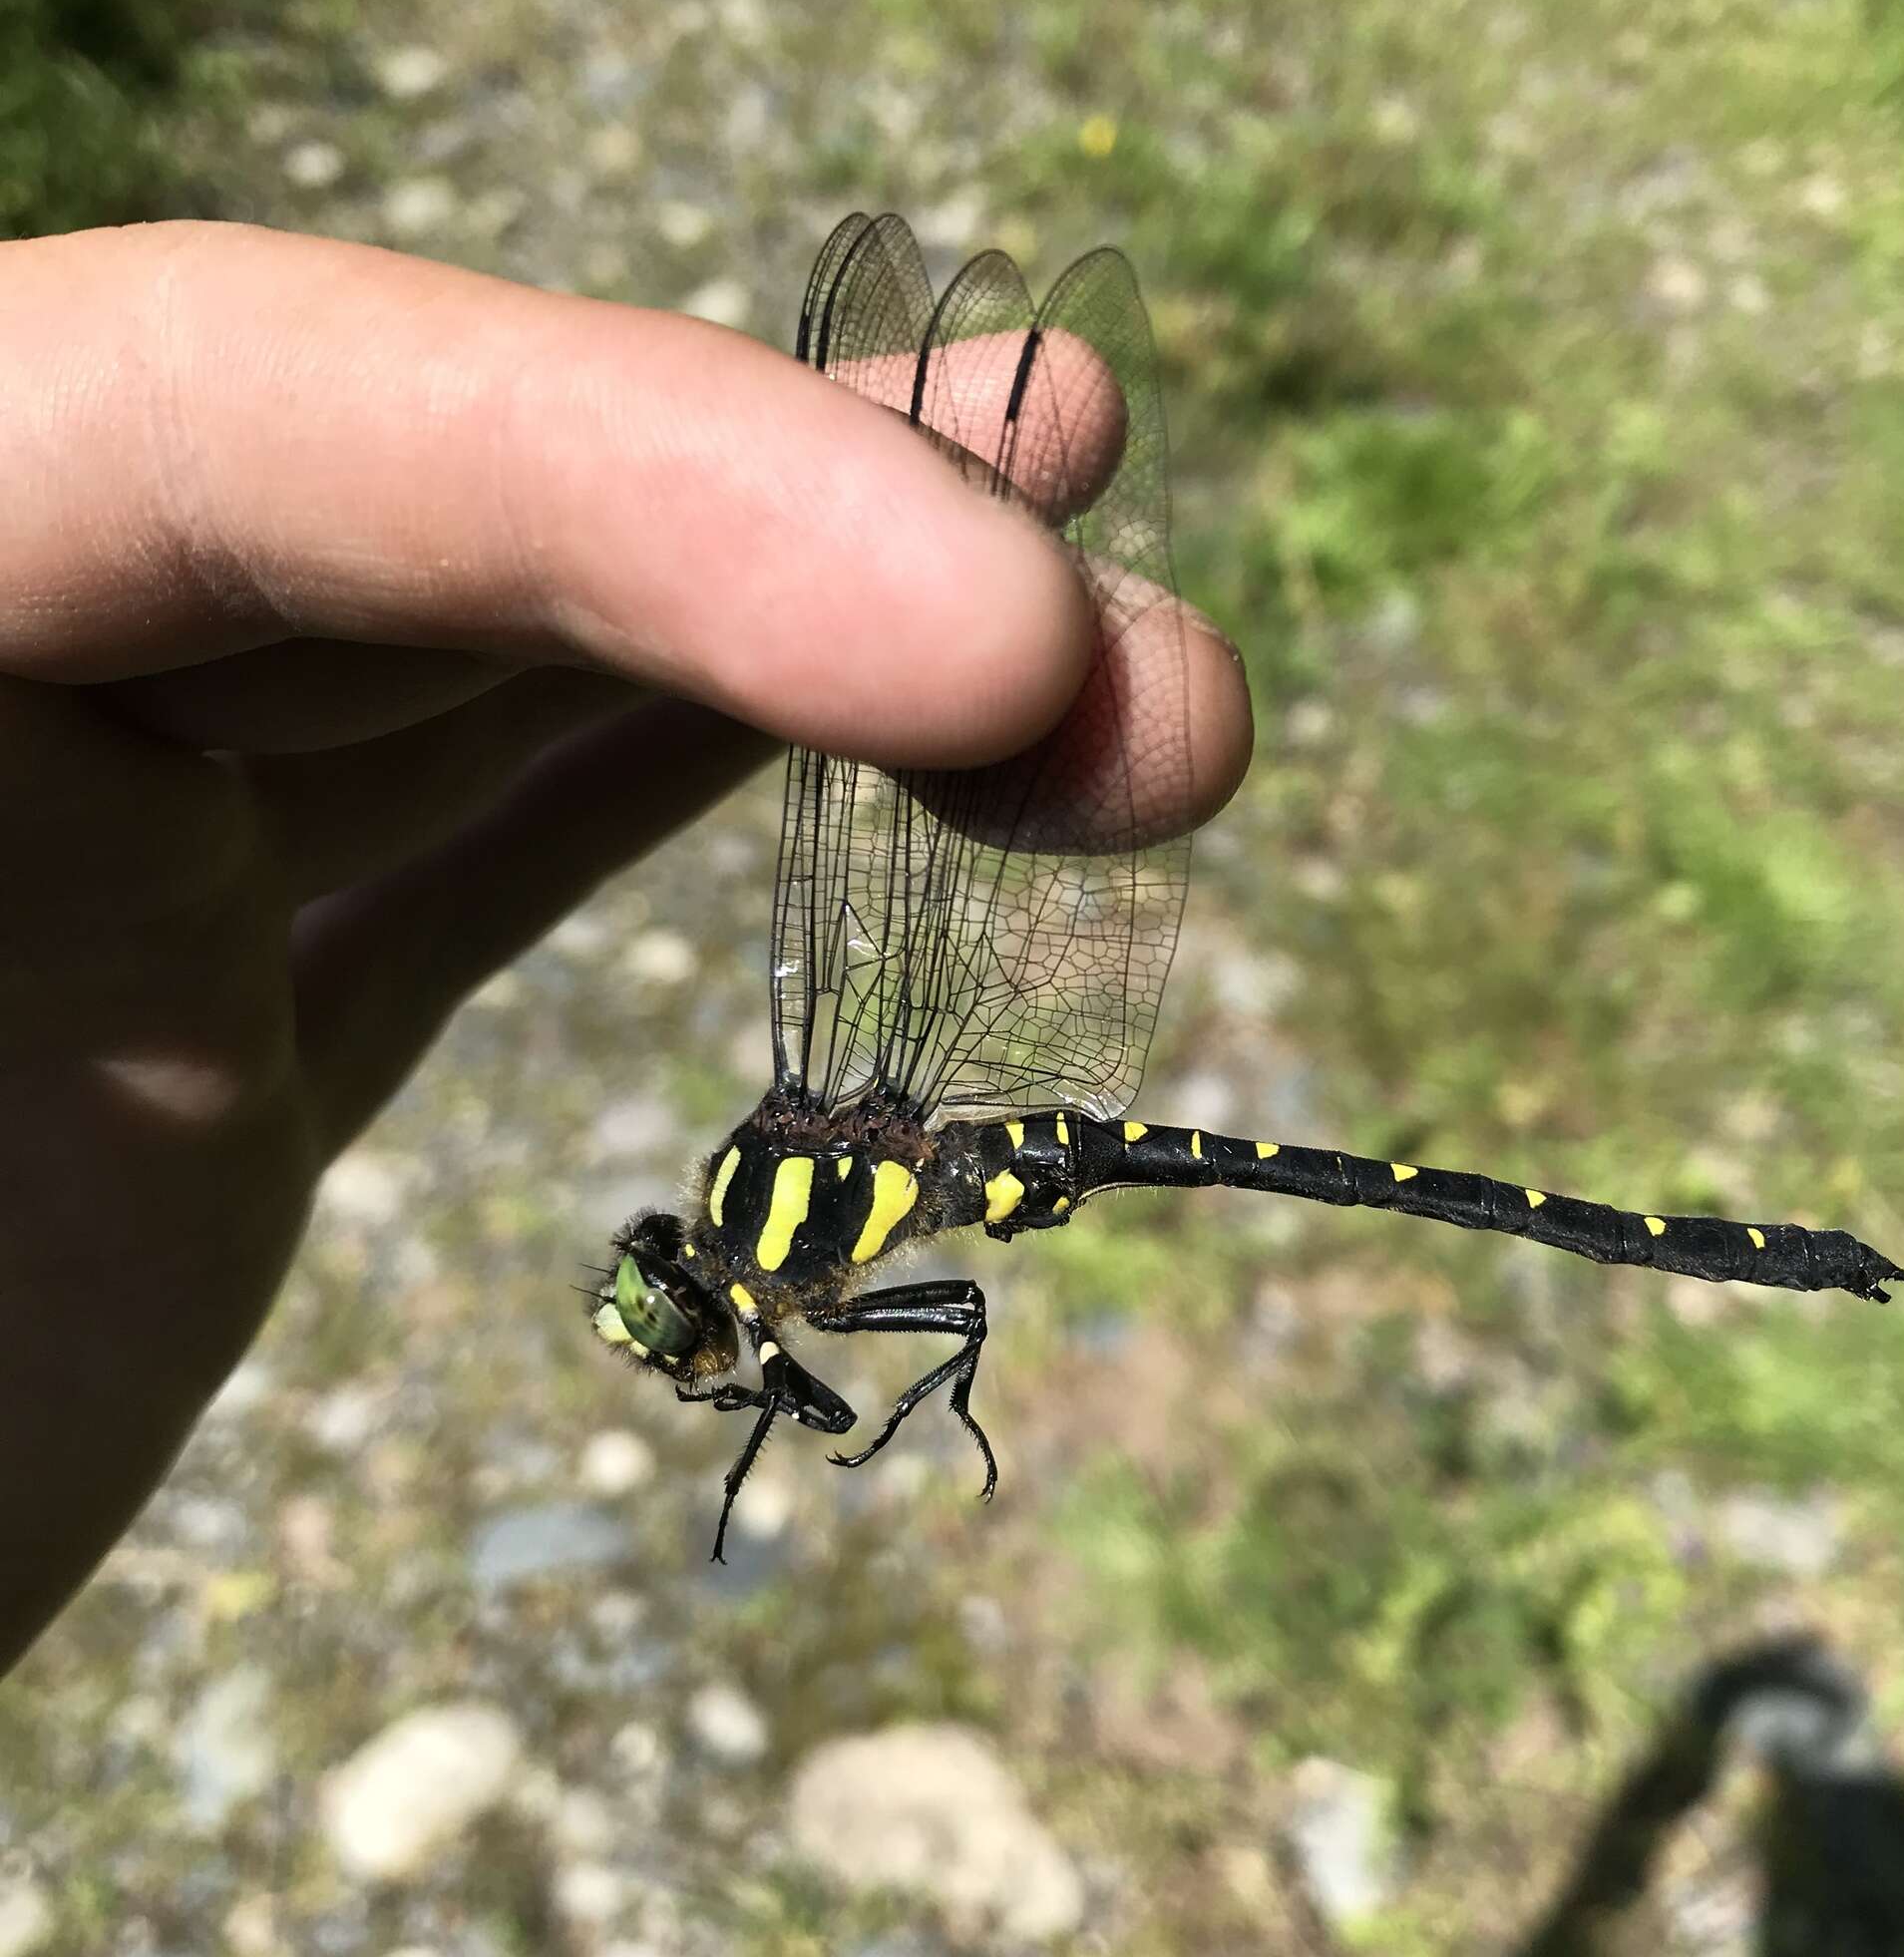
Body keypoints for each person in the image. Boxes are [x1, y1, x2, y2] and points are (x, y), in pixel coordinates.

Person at [0, 220, 1253, 1675]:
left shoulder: (780, 1266)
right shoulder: (783, 1274)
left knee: (946, 617)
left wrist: (805, 1394)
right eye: (669, 1308)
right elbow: (822, 1396)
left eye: (666, 1307)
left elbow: (822, 1393)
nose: (668, 1324)